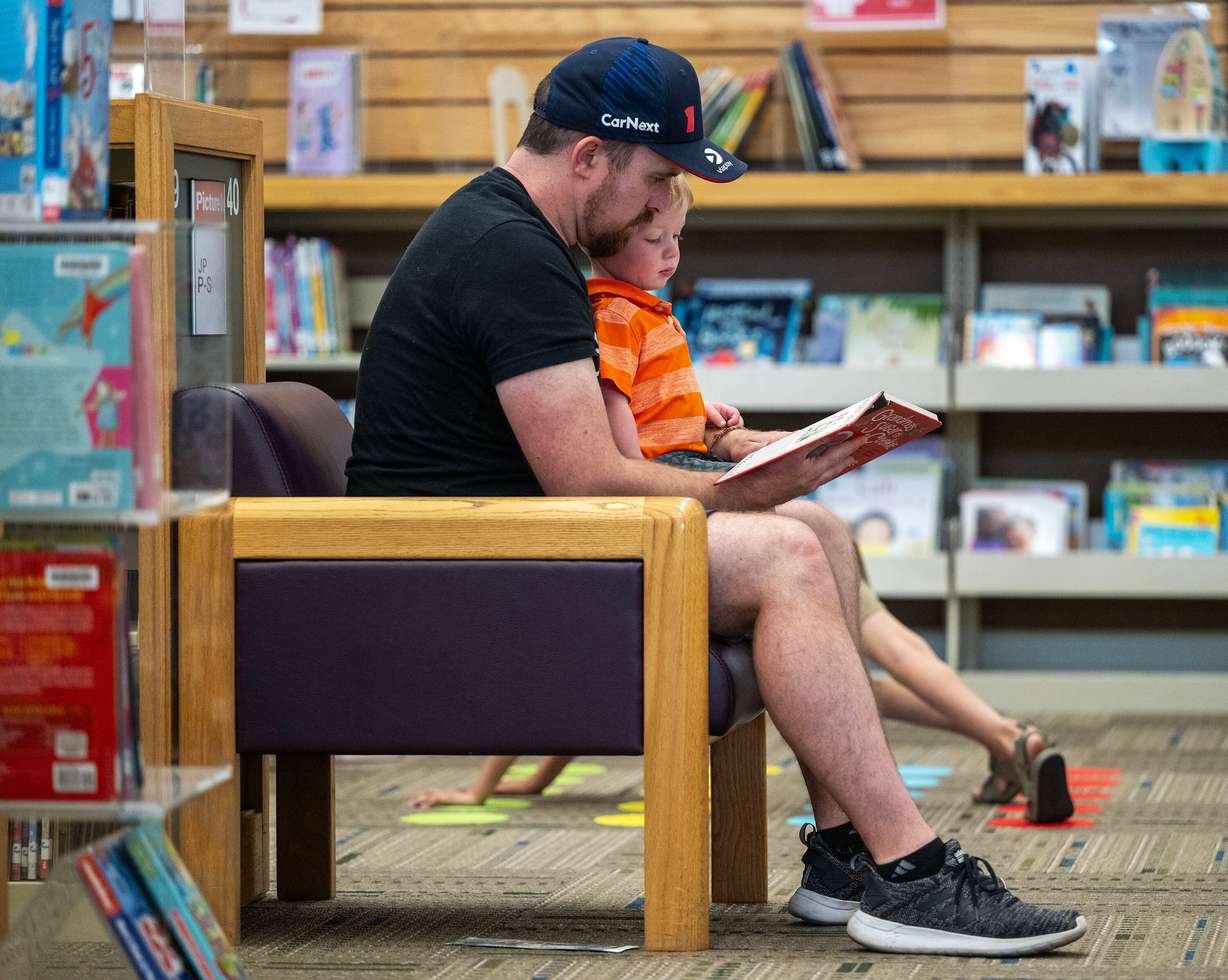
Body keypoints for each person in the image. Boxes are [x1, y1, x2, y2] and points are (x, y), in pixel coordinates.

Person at [346, 37, 1086, 956]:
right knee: (785, 545)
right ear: (588, 158)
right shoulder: (513, 254)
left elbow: (596, 458)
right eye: (656, 178)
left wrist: (747, 465)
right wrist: (750, 489)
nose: (663, 206)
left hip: (508, 542)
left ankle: (844, 853)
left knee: (816, 529)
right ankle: (912, 873)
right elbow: (590, 479)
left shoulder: (520, 240)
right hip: (462, 572)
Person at [409, 175, 1074, 827]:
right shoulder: (611, 314)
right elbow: (619, 449)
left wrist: (708, 428)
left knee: (847, 618)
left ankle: (917, 791)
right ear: (608, 238)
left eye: (677, 237)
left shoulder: (646, 312)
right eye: (656, 238)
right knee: (859, 642)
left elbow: (649, 408)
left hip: (685, 472)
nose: (671, 253)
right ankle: (968, 763)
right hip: (659, 498)